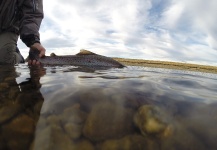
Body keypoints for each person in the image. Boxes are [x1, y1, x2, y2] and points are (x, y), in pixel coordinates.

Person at [0, 0, 45, 65]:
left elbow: (31, 13)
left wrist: (33, 40)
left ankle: (20, 59)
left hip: (7, 27)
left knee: (4, 58)